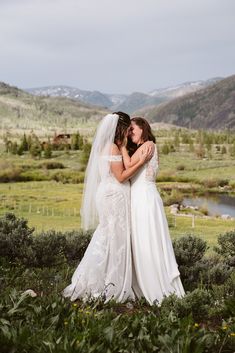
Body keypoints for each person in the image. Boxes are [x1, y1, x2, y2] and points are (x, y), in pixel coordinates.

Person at [62, 112, 152, 303]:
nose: (128, 134)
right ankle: (107, 284)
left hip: (112, 194)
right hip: (113, 196)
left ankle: (109, 281)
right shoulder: (111, 148)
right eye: (127, 129)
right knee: (112, 238)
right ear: (120, 128)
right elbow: (120, 176)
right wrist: (142, 163)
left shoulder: (114, 146)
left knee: (112, 237)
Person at [121, 117, 185, 305]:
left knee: (147, 240)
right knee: (147, 239)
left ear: (143, 128)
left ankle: (153, 283)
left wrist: (122, 145)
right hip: (146, 196)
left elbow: (127, 168)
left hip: (144, 198)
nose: (130, 133)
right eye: (128, 131)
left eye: (132, 129)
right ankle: (144, 280)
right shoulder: (150, 145)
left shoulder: (146, 146)